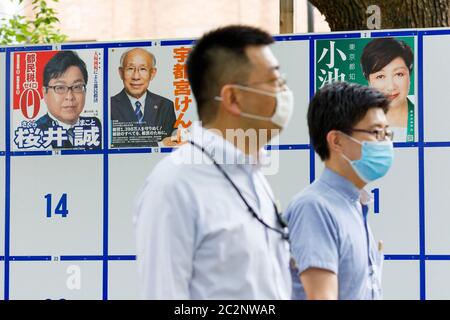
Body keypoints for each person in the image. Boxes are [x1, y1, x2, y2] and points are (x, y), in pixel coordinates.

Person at [134, 25, 294, 299]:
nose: (285, 93)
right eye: (274, 82)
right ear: (232, 97)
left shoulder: (253, 175)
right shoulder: (175, 185)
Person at [285, 81, 393, 300]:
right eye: (375, 133)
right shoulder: (314, 208)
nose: (385, 143)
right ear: (336, 141)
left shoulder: (355, 204)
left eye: (387, 134)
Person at [111, 48, 177, 147]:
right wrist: (159, 145)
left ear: (152, 73)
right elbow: (114, 146)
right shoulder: (109, 106)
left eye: (143, 69)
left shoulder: (165, 105)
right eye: (130, 68)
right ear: (121, 72)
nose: (136, 77)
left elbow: (170, 143)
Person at [36, 50, 102, 149]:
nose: (70, 97)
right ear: (44, 92)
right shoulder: (35, 133)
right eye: (60, 88)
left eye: (77, 87)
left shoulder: (95, 125)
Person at [360, 38, 414, 142]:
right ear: (368, 80)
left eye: (399, 74)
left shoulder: (426, 115)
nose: (390, 87)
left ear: (409, 75)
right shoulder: (356, 123)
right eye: (380, 76)